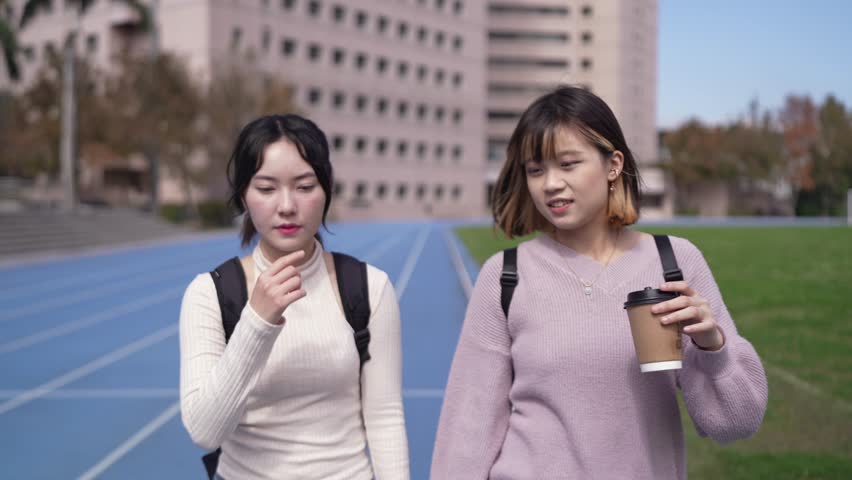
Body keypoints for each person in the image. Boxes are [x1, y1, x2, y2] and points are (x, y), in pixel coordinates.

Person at [431, 86, 768, 479]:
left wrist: (713, 347)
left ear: (613, 165)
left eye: (568, 164)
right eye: (535, 170)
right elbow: (467, 431)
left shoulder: (673, 263)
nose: (550, 184)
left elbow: (736, 422)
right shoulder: (505, 276)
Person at [179, 114, 410, 480]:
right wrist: (257, 321)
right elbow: (205, 432)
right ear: (243, 195)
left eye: (304, 186)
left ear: (326, 191)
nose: (286, 205)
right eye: (267, 188)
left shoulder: (368, 287)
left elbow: (385, 418)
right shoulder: (210, 294)